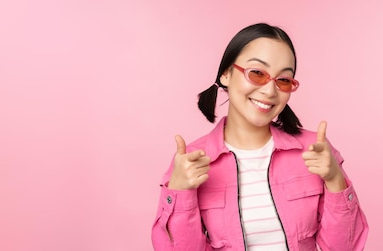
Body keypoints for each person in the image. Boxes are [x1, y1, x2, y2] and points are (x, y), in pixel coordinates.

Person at [151, 23, 369, 251]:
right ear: (226, 74)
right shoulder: (192, 161)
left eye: (283, 80)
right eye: (257, 73)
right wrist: (180, 191)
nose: (270, 91)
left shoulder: (315, 151)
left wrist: (335, 180)